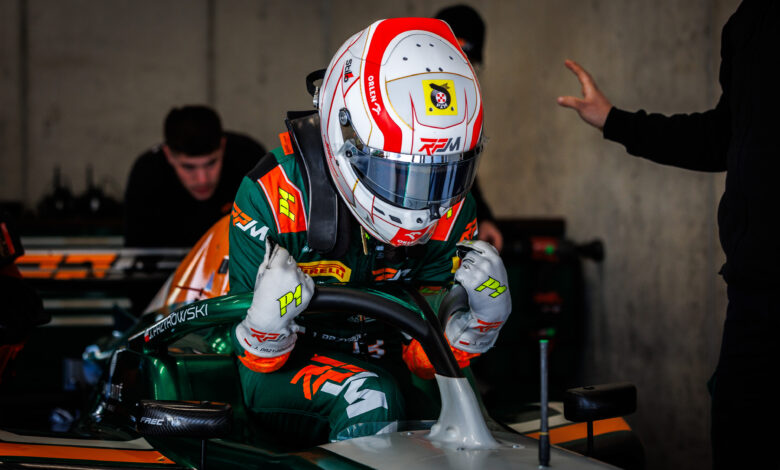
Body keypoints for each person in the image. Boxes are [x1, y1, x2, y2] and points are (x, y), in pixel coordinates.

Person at [228, 18, 512, 443]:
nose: (421, 203)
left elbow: (427, 357)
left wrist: (475, 327)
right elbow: (254, 361)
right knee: (370, 398)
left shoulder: (454, 208)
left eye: (441, 176)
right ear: (345, 139)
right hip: (287, 363)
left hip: (392, 355)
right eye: (397, 175)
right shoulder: (271, 195)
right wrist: (267, 326)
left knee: (465, 414)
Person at [557, 1, 779, 467]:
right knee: (738, 437)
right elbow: (723, 135)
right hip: (752, 295)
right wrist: (615, 120)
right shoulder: (746, 22)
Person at [124, 105, 266, 247]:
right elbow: (138, 249)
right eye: (188, 167)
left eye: (211, 163)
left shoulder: (250, 160)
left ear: (223, 147)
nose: (202, 179)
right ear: (168, 155)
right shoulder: (147, 176)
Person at [435, 4, 504, 252]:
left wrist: (483, 217)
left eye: (469, 62)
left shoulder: (462, 106)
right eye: (453, 59)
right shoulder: (402, 93)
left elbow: (461, 169)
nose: (461, 71)